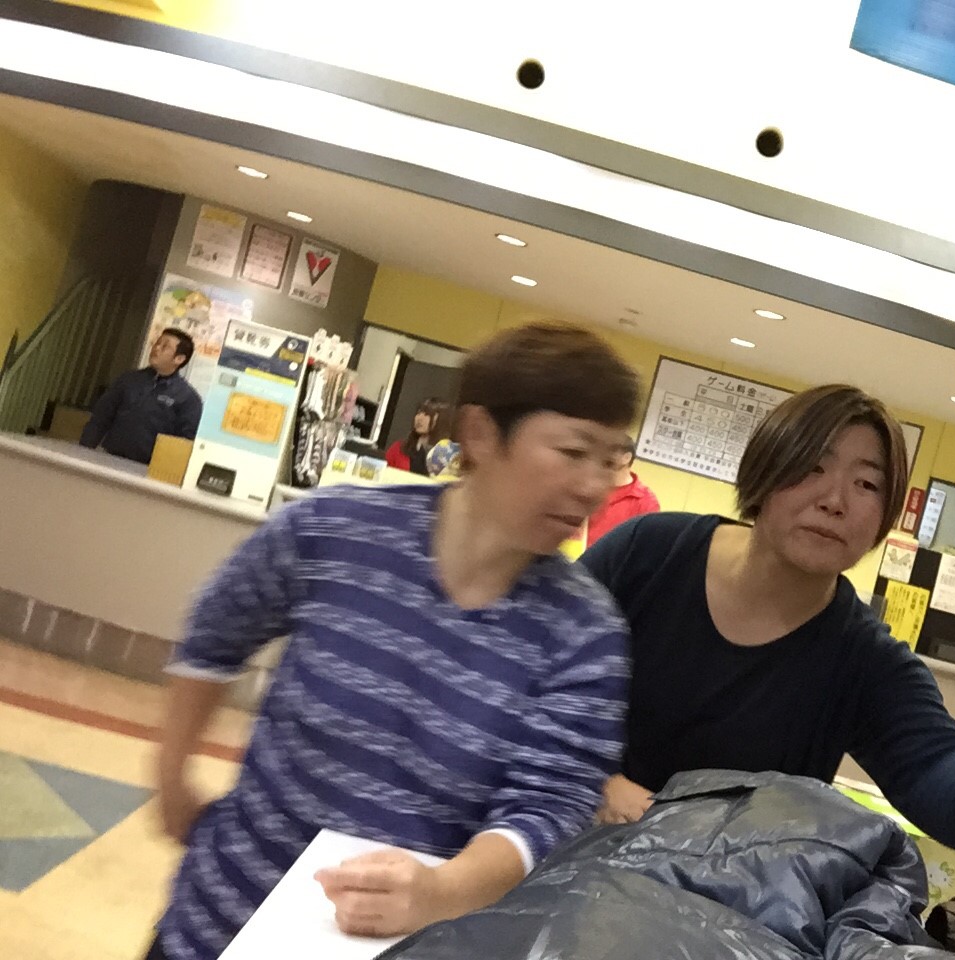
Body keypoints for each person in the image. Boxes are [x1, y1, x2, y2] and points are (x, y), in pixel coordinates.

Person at [146, 321, 641, 960]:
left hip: (396, 944)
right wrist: (172, 776)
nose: (595, 487)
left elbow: (547, 807)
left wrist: (439, 892)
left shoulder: (586, 633)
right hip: (219, 916)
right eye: (573, 452)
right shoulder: (333, 531)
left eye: (611, 460)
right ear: (481, 433)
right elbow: (216, 634)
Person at [581, 384, 955, 854]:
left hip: (704, 900)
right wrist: (596, 780)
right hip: (558, 836)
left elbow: (932, 756)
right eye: (811, 468)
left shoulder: (860, 657)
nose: (835, 500)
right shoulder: (649, 553)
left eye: (866, 483)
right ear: (764, 473)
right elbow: (541, 662)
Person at [79, 327, 202, 463]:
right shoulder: (129, 380)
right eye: (157, 343)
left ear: (179, 359)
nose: (156, 348)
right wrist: (84, 451)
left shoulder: (188, 399)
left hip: (148, 468)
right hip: (109, 457)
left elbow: (183, 443)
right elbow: (100, 417)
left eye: (164, 346)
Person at [584, 437, 660, 547]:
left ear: (627, 458)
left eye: (611, 450)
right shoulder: (588, 484)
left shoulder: (645, 501)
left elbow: (643, 543)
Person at [385, 397, 457, 477]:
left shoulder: (448, 456)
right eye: (418, 413)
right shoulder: (398, 448)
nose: (420, 418)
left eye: (427, 414)